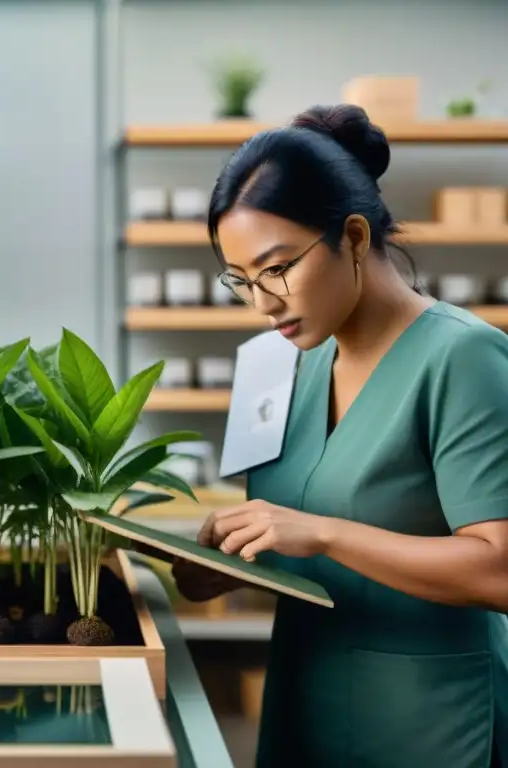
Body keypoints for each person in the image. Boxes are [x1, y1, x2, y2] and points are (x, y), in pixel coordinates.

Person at [171, 104, 508, 768]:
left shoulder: (464, 359)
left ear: (353, 238)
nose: (262, 302)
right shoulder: (270, 363)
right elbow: (287, 541)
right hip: (304, 697)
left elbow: (499, 567)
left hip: (429, 718)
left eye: (277, 268)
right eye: (240, 281)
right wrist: (224, 563)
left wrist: (321, 532)